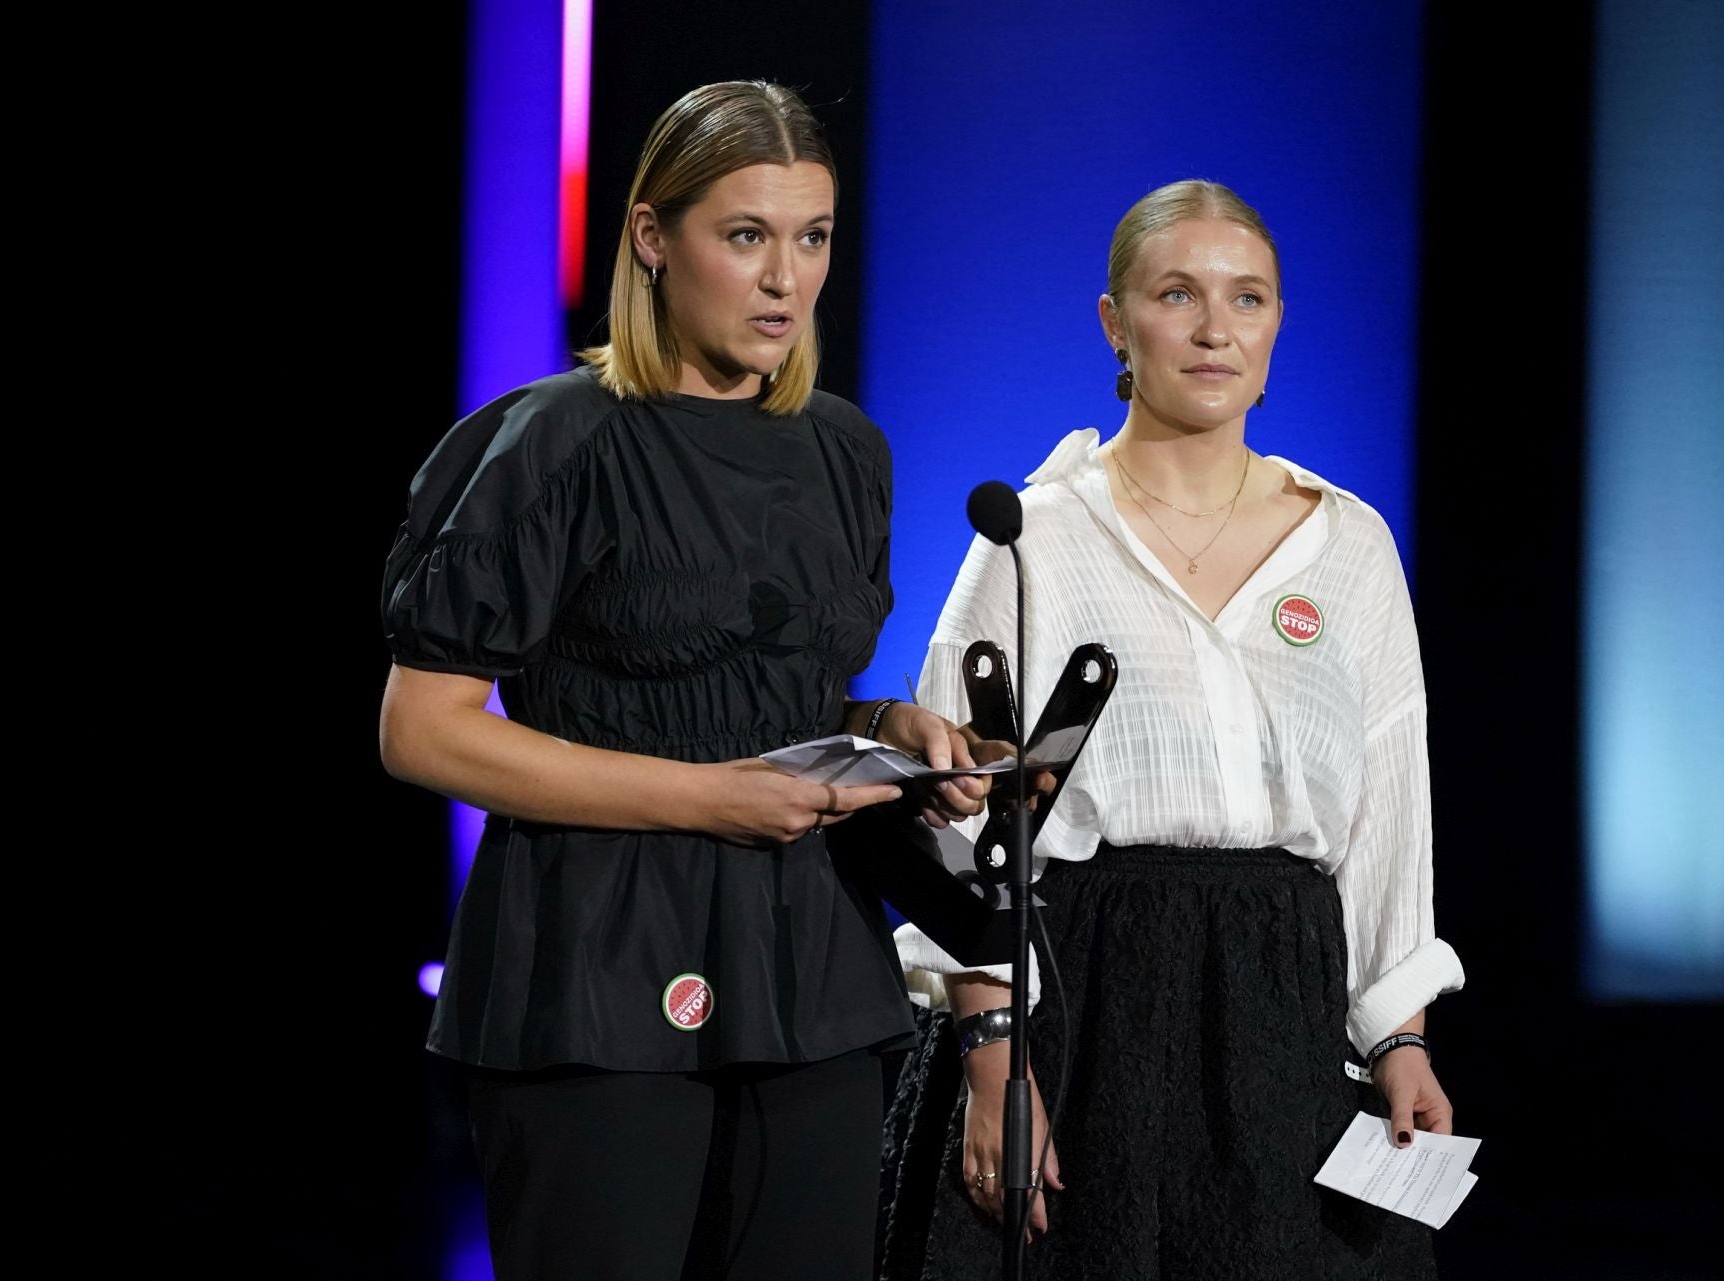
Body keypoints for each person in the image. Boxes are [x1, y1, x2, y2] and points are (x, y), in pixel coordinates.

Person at [379, 81, 984, 1281]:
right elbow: (424, 732)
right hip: (596, 963)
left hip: (809, 966)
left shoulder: (845, 451)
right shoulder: (557, 441)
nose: (785, 279)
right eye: (746, 236)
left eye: (811, 238)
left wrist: (888, 730)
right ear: (654, 239)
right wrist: (709, 797)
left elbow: (780, 697)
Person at [880, 180, 1465, 1281]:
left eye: (1247, 299)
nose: (1214, 329)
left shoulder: (1349, 546)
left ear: (1278, 323)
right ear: (1115, 321)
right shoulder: (1035, 539)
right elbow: (956, 833)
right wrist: (996, 1062)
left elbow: (1392, 815)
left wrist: (1400, 1036)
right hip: (1080, 997)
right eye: (1177, 295)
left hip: (1281, 1017)